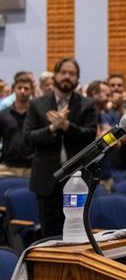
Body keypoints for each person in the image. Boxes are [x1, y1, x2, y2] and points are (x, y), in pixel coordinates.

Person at [23, 58, 97, 238]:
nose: (67, 77)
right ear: (55, 75)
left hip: (77, 177)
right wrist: (52, 128)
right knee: (50, 233)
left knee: (78, 232)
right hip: (46, 178)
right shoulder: (37, 104)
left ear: (77, 79)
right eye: (63, 72)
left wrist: (66, 126)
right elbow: (28, 137)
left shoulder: (86, 104)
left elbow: (90, 136)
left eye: (72, 74)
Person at [0, 75, 35, 177]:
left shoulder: (37, 114)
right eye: (19, 88)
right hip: (7, 168)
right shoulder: (3, 115)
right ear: (13, 90)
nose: (22, 91)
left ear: (32, 91)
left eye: (26, 88)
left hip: (32, 168)